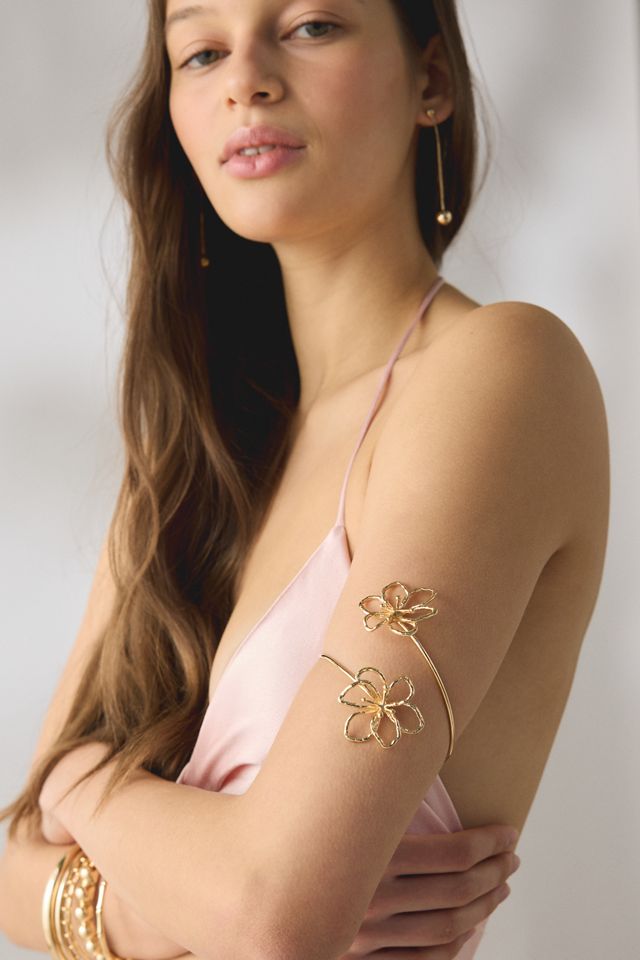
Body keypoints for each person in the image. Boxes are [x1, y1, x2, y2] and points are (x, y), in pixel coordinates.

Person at [0, 1, 609, 959]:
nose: (246, 79)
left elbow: (273, 917)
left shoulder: (500, 372)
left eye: (311, 26)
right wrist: (158, 906)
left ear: (432, 80)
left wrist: (81, 779)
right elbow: (10, 864)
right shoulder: (188, 463)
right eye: (202, 51)